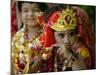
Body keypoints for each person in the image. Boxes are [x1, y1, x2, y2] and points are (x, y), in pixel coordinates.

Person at [43, 5, 95, 71]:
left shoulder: (80, 53)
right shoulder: (48, 52)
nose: (67, 40)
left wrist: (70, 56)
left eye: (71, 34)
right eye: (61, 35)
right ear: (51, 35)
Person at [11, 1, 49, 74]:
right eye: (25, 11)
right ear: (20, 13)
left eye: (35, 10)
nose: (30, 14)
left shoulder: (48, 35)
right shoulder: (17, 37)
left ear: (43, 12)